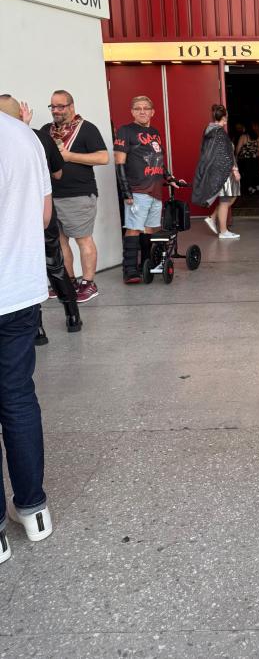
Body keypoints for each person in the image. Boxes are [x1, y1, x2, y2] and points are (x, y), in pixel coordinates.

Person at [0, 111, 55, 565]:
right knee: (17, 396)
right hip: (17, 289)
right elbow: (43, 215)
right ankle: (34, 510)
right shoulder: (22, 136)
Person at [0, 97, 82, 342]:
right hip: (40, 214)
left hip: (13, 224)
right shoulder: (38, 138)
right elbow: (57, 173)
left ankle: (38, 328)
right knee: (55, 266)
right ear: (21, 113)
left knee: (22, 272)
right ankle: (73, 316)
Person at [40, 90, 109, 303]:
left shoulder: (87, 129)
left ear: (71, 106)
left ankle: (88, 283)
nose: (56, 111)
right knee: (60, 241)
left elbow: (103, 157)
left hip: (79, 194)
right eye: (53, 106)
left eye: (60, 106)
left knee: (83, 239)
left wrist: (69, 156)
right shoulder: (46, 130)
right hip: (51, 195)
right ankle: (68, 282)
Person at [114, 96, 180, 283]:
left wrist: (169, 178)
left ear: (152, 112)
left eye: (146, 108)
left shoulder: (155, 132)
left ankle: (146, 264)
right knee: (134, 229)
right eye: (138, 108)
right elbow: (119, 163)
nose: (142, 111)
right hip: (137, 191)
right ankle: (130, 270)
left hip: (156, 191)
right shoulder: (125, 131)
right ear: (132, 112)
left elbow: (158, 160)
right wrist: (126, 191)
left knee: (149, 230)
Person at [192, 104, 241, 240]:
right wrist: (235, 170)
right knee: (225, 200)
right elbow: (224, 155)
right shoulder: (219, 133)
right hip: (223, 171)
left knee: (230, 197)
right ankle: (223, 231)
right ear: (224, 117)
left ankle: (212, 218)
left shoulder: (211, 131)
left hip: (218, 170)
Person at [234, 121, 259, 195]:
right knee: (255, 172)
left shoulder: (243, 137)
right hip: (255, 158)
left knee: (247, 173)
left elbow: (238, 148)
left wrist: (236, 156)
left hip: (246, 159)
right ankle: (257, 187)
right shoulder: (256, 137)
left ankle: (251, 188)